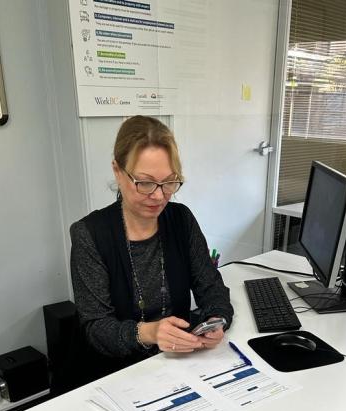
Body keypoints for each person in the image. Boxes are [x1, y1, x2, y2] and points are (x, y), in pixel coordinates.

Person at [70, 116, 233, 379]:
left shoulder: (181, 220)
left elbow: (211, 287)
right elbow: (96, 329)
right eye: (145, 183)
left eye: (169, 182)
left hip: (182, 364)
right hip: (119, 374)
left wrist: (216, 320)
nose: (158, 196)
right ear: (117, 171)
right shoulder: (90, 234)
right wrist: (150, 332)